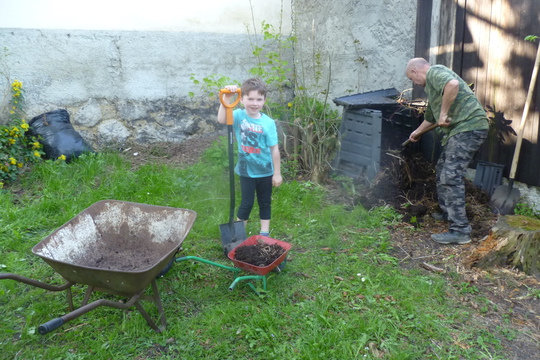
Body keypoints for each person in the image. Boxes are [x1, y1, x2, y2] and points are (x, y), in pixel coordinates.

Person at [405, 58, 489, 245]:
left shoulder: (434, 72)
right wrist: (416, 133)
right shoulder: (433, 88)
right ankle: (448, 212)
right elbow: (431, 118)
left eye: (412, 79)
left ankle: (460, 230)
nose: (415, 83)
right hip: (461, 130)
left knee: (451, 176)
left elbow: (453, 84)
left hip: (469, 127)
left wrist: (443, 114)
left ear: (414, 71)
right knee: (443, 169)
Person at [217, 78, 283, 237]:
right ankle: (239, 234)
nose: (255, 103)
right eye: (250, 99)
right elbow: (222, 119)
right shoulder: (239, 116)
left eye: (259, 99)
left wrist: (277, 173)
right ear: (242, 99)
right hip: (246, 170)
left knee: (265, 202)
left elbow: (274, 149)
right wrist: (225, 98)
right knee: (246, 203)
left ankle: (264, 233)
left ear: (264, 101)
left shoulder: (268, 123)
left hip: (265, 170)